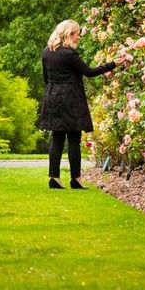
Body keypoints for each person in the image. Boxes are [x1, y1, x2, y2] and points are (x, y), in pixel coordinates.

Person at [39, 19, 118, 190]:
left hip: (52, 97)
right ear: (68, 34)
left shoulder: (47, 52)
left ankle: (54, 177)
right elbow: (89, 72)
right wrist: (113, 64)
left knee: (57, 139)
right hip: (70, 99)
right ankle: (76, 179)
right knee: (74, 139)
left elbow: (45, 78)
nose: (78, 37)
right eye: (76, 34)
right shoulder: (69, 54)